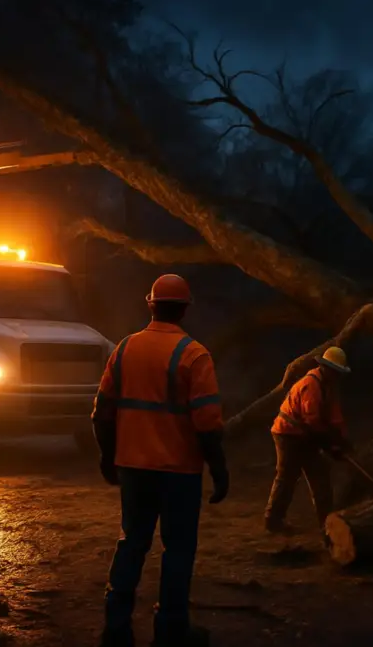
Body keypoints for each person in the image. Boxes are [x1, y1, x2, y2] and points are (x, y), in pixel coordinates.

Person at [92, 274, 228, 647]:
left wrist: (108, 457)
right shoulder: (194, 354)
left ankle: (115, 629)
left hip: (133, 468)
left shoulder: (124, 349)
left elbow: (101, 413)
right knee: (178, 549)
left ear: (150, 304)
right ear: (185, 309)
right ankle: (171, 629)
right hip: (179, 473)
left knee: (132, 542)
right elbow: (207, 423)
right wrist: (219, 470)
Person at [264, 346, 352, 535]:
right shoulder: (311, 385)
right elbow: (312, 421)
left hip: (306, 434)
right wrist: (330, 445)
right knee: (287, 477)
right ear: (325, 367)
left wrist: (343, 440)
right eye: (335, 371)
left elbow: (335, 417)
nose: (337, 375)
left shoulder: (328, 386)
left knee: (320, 476)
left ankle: (327, 523)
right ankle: (273, 520)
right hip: (287, 434)